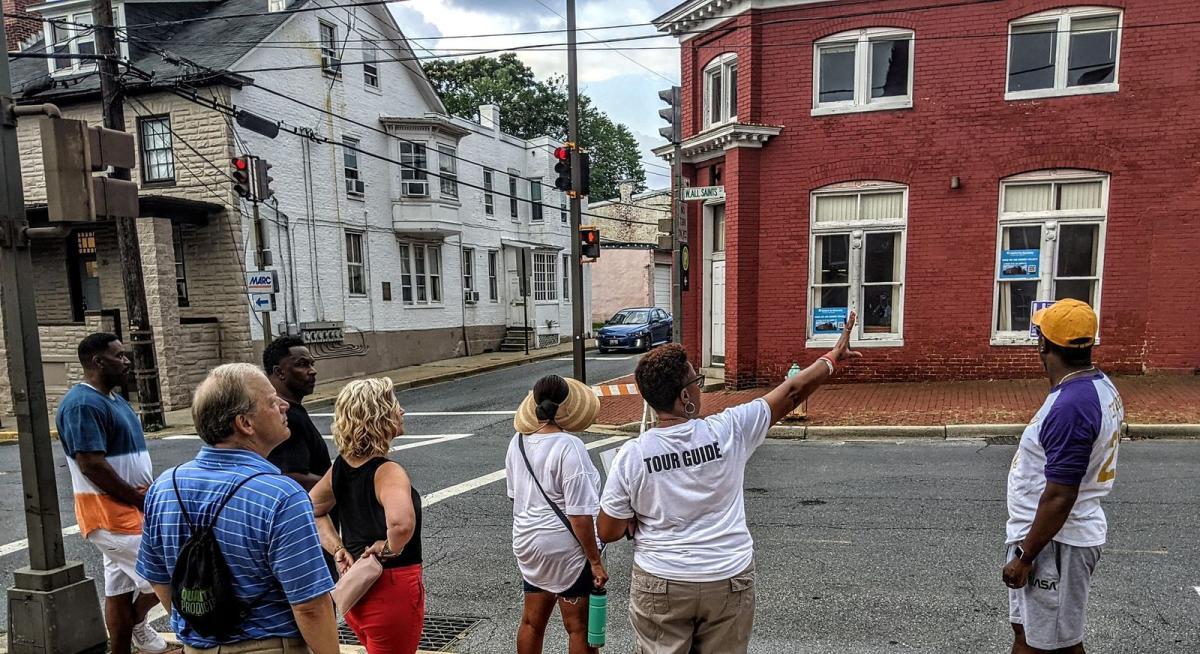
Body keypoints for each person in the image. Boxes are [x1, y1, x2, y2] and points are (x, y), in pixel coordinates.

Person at [597, 315, 861, 654]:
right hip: (727, 577)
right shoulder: (729, 430)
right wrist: (831, 360)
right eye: (697, 380)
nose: (700, 386)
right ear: (684, 397)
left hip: (662, 580)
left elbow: (607, 530)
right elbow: (792, 392)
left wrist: (633, 519)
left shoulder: (633, 455)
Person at [136, 363, 340, 654]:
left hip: (198, 646)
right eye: (272, 402)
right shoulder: (282, 496)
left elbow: (159, 577)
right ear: (245, 424)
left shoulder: (164, 487)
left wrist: (204, 627)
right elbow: (310, 605)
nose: (284, 405)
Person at [1001, 299, 1124, 654]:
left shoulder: (1071, 406)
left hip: (1055, 543)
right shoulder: (1097, 385)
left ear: (1044, 344)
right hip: (1046, 537)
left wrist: (1026, 557)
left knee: (1054, 645)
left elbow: (1060, 495)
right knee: (1027, 634)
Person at [55, 333, 175, 654]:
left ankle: (124, 643)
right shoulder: (82, 404)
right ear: (97, 362)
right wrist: (140, 500)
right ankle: (190, 638)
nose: (127, 362)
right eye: (119, 356)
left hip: (128, 514)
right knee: (174, 574)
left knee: (119, 589)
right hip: (113, 517)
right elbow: (91, 465)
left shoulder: (113, 399)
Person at [309, 378, 424, 654]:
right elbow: (401, 524)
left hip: (357, 590)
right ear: (379, 415)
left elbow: (311, 508)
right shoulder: (387, 471)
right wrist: (388, 548)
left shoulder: (340, 467)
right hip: (391, 589)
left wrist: (338, 549)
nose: (402, 411)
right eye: (395, 405)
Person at [505, 375, 607, 654]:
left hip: (526, 541)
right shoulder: (569, 447)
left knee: (532, 623)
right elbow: (580, 515)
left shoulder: (518, 442)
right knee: (578, 628)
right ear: (567, 407)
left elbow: (515, 495)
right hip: (565, 548)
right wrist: (595, 562)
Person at [263, 336, 330, 491]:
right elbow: (292, 477)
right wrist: (339, 486)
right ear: (279, 372)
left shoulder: (284, 410)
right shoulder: (286, 416)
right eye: (302, 364)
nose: (313, 371)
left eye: (312, 364)